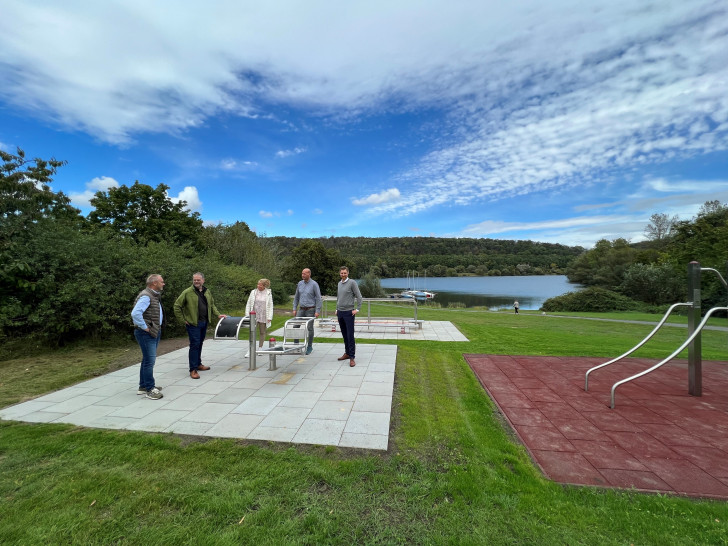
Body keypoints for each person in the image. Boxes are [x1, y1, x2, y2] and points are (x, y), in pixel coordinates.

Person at [174, 272, 226, 379]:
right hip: (193, 323)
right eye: (194, 280)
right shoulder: (187, 292)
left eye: (198, 280)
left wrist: (218, 314)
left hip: (204, 322)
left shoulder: (207, 291)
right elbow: (177, 306)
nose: (196, 282)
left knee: (200, 343)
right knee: (194, 345)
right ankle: (193, 369)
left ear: (203, 280)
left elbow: (212, 305)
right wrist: (183, 319)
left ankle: (198, 364)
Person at [130, 274, 165, 400]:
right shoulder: (146, 296)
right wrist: (145, 327)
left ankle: (143, 386)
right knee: (150, 361)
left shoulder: (153, 295)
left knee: (147, 360)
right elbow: (135, 313)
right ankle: (150, 389)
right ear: (154, 283)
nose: (164, 283)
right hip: (146, 333)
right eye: (162, 281)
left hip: (153, 331)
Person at [335, 266, 362, 367]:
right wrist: (337, 309)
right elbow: (339, 297)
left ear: (348, 273)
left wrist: (357, 309)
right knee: (344, 334)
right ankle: (346, 353)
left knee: (350, 335)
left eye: (344, 273)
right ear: (339, 273)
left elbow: (359, 296)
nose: (343, 275)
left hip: (349, 313)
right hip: (340, 313)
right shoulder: (339, 283)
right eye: (341, 273)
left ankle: (352, 357)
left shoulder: (352, 283)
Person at [292, 268, 322, 355]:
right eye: (302, 273)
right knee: (295, 326)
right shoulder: (300, 284)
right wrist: (294, 308)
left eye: (304, 274)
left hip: (311, 309)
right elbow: (296, 297)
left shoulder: (314, 284)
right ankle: (296, 345)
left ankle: (309, 346)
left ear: (309, 274)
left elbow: (318, 298)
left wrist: (317, 311)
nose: (302, 275)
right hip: (301, 309)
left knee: (310, 328)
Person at [245, 278, 274, 357]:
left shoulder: (268, 293)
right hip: (254, 315)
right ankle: (250, 349)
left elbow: (270, 306)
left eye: (260, 285)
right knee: (252, 332)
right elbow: (248, 303)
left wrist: (270, 317)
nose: (258, 286)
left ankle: (260, 348)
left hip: (264, 315)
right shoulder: (253, 292)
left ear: (264, 286)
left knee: (262, 332)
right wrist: (247, 314)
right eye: (258, 284)